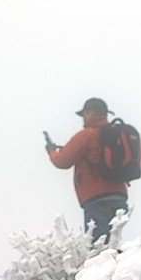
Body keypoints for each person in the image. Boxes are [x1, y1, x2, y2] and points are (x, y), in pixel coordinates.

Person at [45, 97, 129, 244]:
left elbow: (62, 161)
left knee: (98, 246)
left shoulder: (85, 135)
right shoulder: (116, 134)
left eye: (84, 115)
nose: (83, 119)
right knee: (114, 243)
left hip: (96, 198)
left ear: (90, 113)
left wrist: (52, 152)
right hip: (119, 196)